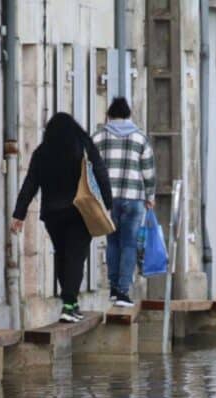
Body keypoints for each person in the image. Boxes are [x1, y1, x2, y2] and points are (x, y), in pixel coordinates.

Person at [11, 113, 113, 323]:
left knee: (62, 255)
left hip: (52, 214)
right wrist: (107, 203)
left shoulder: (42, 152)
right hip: (79, 211)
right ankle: (68, 305)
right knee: (76, 256)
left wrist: (18, 214)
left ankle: (71, 303)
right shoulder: (83, 147)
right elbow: (101, 173)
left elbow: (30, 184)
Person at [92, 97, 156, 308]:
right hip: (134, 197)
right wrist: (150, 196)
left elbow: (89, 167)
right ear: (129, 115)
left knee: (112, 242)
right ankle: (122, 290)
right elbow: (148, 171)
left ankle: (112, 287)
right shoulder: (140, 138)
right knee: (129, 244)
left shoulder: (98, 137)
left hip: (108, 200)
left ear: (109, 115)